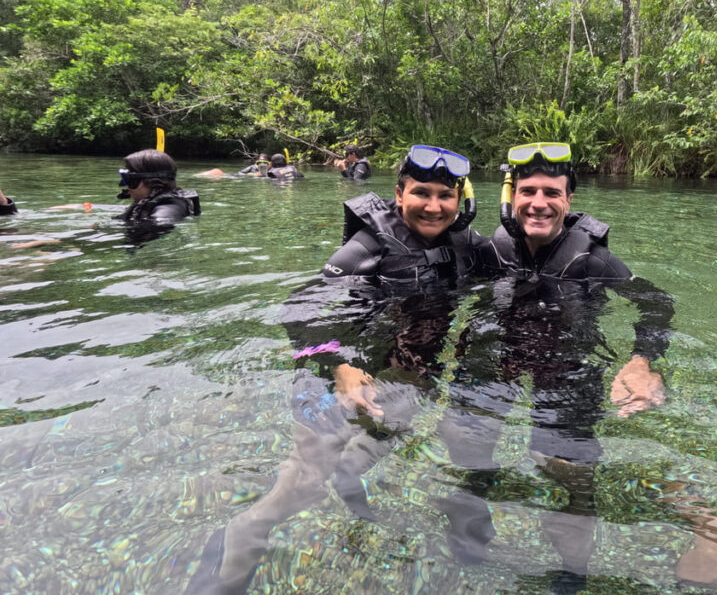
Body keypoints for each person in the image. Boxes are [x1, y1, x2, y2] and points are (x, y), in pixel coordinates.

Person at [187, 145, 483, 595]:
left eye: (445, 196)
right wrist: (339, 366)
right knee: (303, 484)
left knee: (397, 424)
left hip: (397, 372)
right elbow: (297, 310)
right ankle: (235, 551)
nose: (433, 206)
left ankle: (350, 476)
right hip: (332, 369)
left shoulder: (464, 245)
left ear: (459, 202)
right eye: (421, 193)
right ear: (399, 194)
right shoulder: (366, 246)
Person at [433, 142, 674, 592]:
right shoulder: (493, 252)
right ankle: (480, 485)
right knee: (461, 436)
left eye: (551, 192)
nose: (538, 203)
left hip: (567, 358)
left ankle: (573, 573)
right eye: (528, 191)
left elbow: (657, 303)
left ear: (569, 200)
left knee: (568, 469)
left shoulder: (591, 259)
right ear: (512, 197)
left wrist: (642, 361)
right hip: (499, 347)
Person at [115, 149, 200, 226]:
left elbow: (154, 230)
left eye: (129, 181)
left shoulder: (167, 210)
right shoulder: (147, 201)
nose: (126, 188)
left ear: (153, 183)